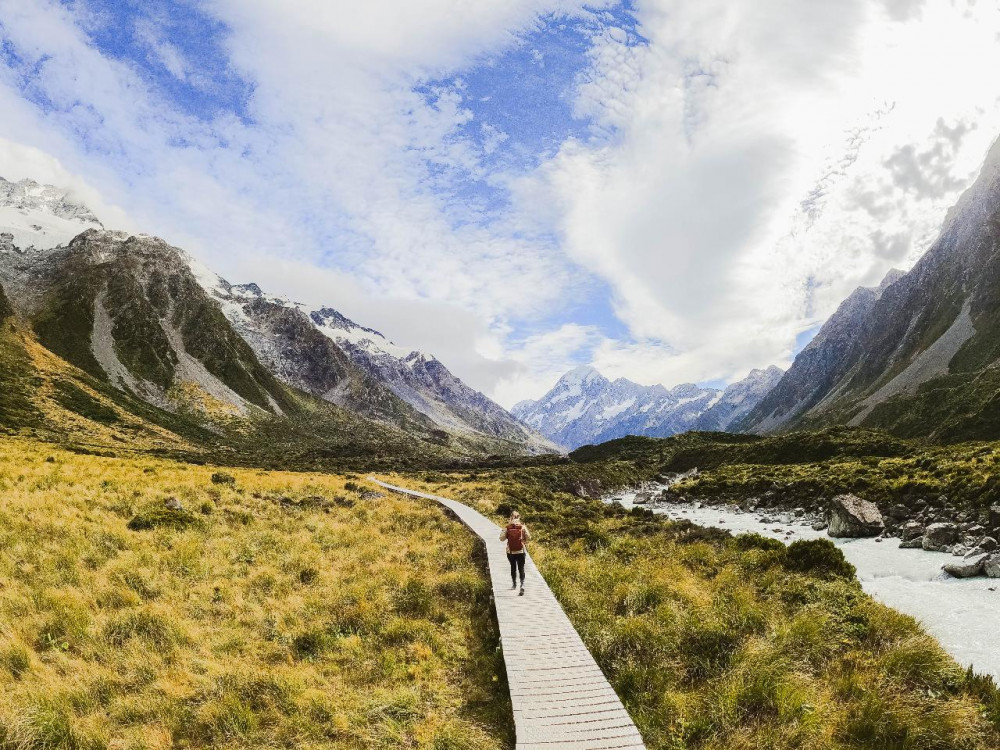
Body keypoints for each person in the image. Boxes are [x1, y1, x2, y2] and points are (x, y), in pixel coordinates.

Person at [500, 511, 531, 596]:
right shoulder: (522, 527)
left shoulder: (507, 527)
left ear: (511, 517)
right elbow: (529, 537)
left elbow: (501, 538)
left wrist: (506, 532)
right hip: (521, 551)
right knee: (521, 568)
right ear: (519, 517)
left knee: (513, 567)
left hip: (510, 552)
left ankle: (514, 584)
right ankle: (522, 585)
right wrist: (523, 537)